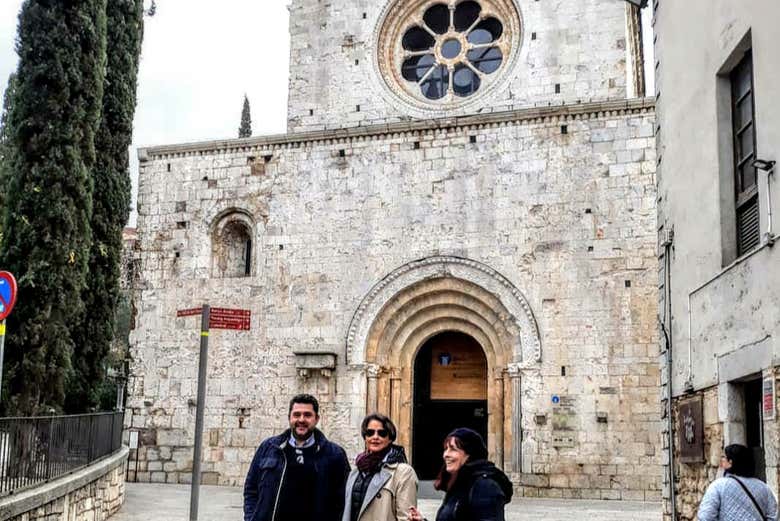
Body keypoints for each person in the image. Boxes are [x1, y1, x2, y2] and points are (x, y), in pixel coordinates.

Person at [243, 394, 351, 521]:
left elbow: (344, 499)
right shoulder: (269, 448)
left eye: (307, 415)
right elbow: (251, 489)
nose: (301, 419)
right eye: (296, 414)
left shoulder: (335, 454)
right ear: (289, 418)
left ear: (316, 419)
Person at [408, 428, 512, 521]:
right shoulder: (459, 484)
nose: (446, 455)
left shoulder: (485, 487)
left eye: (453, 449)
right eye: (446, 449)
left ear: (470, 454)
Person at [342, 413, 418, 521]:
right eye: (370, 433)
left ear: (390, 438)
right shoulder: (356, 471)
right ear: (365, 437)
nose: (375, 437)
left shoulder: (403, 473)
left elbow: (406, 517)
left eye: (382, 433)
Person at [698, 444, 778, 521]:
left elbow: (705, 516)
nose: (721, 460)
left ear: (730, 462)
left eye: (724, 457)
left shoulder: (719, 486)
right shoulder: (763, 487)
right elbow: (774, 516)